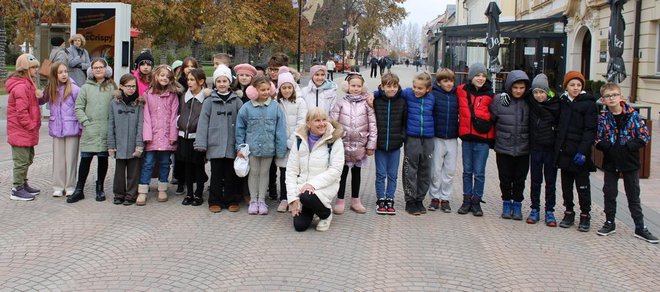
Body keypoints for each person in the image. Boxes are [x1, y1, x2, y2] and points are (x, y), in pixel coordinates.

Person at [594, 83, 657, 243]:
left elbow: (644, 136)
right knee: (609, 192)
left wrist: (629, 146)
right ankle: (610, 222)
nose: (612, 98)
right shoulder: (602, 118)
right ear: (603, 99)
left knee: (633, 194)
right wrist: (607, 147)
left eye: (614, 95)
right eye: (608, 96)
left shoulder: (633, 115)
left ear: (621, 96)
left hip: (630, 161)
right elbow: (597, 138)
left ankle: (640, 226)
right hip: (611, 161)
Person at [286, 107, 345, 232]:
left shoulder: (334, 141)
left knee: (307, 197)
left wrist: (312, 184)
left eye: (324, 119)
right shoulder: (299, 140)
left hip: (324, 186)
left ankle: (326, 214)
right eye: (317, 120)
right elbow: (291, 171)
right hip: (302, 189)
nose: (322, 123)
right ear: (308, 123)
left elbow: (335, 170)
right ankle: (312, 209)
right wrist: (293, 199)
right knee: (299, 226)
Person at [194, 65, 243, 212]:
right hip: (215, 143)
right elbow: (203, 122)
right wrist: (201, 143)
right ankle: (214, 200)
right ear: (215, 83)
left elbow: (242, 123)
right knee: (216, 174)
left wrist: (241, 144)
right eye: (219, 81)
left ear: (230, 82)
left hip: (231, 143)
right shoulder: (209, 101)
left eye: (225, 81)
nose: (222, 84)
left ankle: (230, 199)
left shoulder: (236, 101)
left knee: (230, 174)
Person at [236, 76, 288, 215]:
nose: (265, 92)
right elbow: (240, 128)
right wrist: (240, 147)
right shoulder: (246, 108)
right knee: (253, 173)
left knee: (264, 173)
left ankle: (261, 200)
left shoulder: (275, 107)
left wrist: (280, 148)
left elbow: (280, 129)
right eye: (262, 90)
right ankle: (253, 200)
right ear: (254, 90)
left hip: (268, 147)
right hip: (251, 148)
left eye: (267, 89)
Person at [68, 58, 117, 203]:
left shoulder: (112, 87)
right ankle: (79, 189)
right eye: (95, 67)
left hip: (105, 130)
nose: (98, 70)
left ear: (106, 69)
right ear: (91, 70)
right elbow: (78, 107)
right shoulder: (85, 88)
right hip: (90, 130)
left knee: (103, 160)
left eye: (101, 67)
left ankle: (100, 188)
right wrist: (85, 122)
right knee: (85, 160)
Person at [555, 71, 597, 232]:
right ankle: (569, 211)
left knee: (583, 186)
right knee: (566, 185)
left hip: (580, 151)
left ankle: (585, 214)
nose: (575, 88)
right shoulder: (562, 102)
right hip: (565, 150)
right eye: (572, 85)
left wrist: (583, 151)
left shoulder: (589, 104)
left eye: (579, 85)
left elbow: (590, 130)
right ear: (566, 86)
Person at [330, 73, 376, 215]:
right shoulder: (340, 103)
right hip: (342, 145)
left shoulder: (367, 104)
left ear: (362, 87)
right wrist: (332, 141)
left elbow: (373, 124)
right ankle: (340, 200)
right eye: (353, 85)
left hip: (360, 145)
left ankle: (356, 200)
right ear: (347, 87)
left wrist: (371, 145)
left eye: (358, 86)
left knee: (356, 173)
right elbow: (333, 123)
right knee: (342, 174)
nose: (356, 88)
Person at [137, 64, 180, 206]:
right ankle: (143, 189)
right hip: (153, 136)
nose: (164, 79)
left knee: (165, 163)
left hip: (167, 136)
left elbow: (174, 116)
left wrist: (173, 135)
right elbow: (146, 116)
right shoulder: (148, 94)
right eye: (162, 75)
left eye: (167, 77)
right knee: (148, 162)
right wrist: (147, 135)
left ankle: (163, 187)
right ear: (156, 76)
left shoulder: (173, 96)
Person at [456, 63, 495, 216]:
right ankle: (466, 200)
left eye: (483, 76)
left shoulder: (491, 95)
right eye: (477, 75)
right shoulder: (461, 91)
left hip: (482, 140)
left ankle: (476, 201)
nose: (480, 78)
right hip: (467, 138)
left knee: (479, 172)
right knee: (467, 171)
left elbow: (498, 113)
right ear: (471, 76)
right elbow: (439, 88)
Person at [491, 70, 531, 221]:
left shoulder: (529, 101)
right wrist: (501, 95)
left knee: (520, 179)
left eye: (521, 88)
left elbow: (548, 96)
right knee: (505, 178)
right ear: (509, 87)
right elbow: (492, 118)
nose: (518, 91)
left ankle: (517, 204)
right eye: (515, 88)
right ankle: (506, 203)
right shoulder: (499, 101)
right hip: (504, 146)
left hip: (523, 147)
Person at [6, 54, 44, 201]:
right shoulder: (21, 87)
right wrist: (31, 125)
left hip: (27, 131)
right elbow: (21, 112)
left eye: (36, 66)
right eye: (33, 67)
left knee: (28, 159)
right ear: (25, 69)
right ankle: (17, 188)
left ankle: (23, 183)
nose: (36, 69)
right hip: (21, 130)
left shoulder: (29, 84)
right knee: (21, 161)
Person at [526, 74, 560, 226]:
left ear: (547, 92)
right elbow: (517, 90)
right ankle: (534, 208)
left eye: (542, 92)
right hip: (535, 149)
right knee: (535, 181)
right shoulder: (530, 102)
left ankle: (550, 210)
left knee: (550, 181)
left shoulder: (556, 105)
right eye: (536, 92)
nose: (539, 95)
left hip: (551, 150)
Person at [44, 62, 81, 197]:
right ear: (55, 75)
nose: (64, 74)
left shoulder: (75, 89)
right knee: (58, 158)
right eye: (60, 72)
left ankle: (70, 185)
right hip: (57, 128)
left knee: (71, 158)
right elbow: (40, 100)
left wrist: (81, 127)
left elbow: (80, 108)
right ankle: (58, 186)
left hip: (72, 128)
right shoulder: (50, 89)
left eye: (65, 71)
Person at [402, 72, 436, 215]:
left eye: (420, 88)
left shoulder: (432, 98)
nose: (416, 90)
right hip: (412, 138)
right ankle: (410, 200)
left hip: (428, 138)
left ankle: (419, 199)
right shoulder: (408, 94)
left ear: (428, 89)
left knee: (425, 170)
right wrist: (375, 92)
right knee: (410, 169)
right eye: (415, 87)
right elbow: (392, 90)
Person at [274, 67, 308, 212]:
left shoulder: (300, 102)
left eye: (289, 87)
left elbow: (302, 122)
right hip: (281, 142)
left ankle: (295, 197)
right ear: (279, 89)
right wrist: (282, 140)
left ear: (293, 88)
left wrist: (292, 140)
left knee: (296, 172)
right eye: (284, 88)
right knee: (283, 172)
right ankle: (284, 198)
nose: (287, 90)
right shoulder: (276, 103)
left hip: (296, 142)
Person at [372, 73, 407, 215]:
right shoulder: (376, 100)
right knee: (380, 174)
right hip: (380, 145)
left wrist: (401, 138)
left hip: (395, 145)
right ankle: (381, 198)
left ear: (398, 87)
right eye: (388, 86)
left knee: (392, 174)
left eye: (394, 86)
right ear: (382, 86)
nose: (391, 89)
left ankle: (390, 198)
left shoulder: (402, 102)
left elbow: (404, 122)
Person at [176, 69, 211, 208]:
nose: (189, 82)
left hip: (198, 137)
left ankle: (198, 193)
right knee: (187, 166)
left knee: (198, 166)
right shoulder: (184, 97)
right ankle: (189, 193)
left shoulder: (206, 99)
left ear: (201, 81)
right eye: (188, 79)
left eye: (192, 80)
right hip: (184, 137)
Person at [108, 74, 144, 206]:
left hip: (134, 142)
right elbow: (110, 124)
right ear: (121, 86)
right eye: (128, 86)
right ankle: (119, 194)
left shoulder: (139, 103)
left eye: (133, 86)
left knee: (134, 171)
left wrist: (139, 144)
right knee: (119, 170)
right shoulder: (114, 103)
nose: (131, 89)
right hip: (119, 142)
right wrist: (111, 144)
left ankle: (131, 194)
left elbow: (141, 125)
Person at [428, 68, 459, 213]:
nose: (449, 84)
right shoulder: (433, 94)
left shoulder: (457, 95)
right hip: (437, 137)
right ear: (439, 82)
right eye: (445, 81)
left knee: (450, 170)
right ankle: (434, 197)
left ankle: (445, 198)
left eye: (451, 81)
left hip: (452, 137)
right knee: (435, 169)